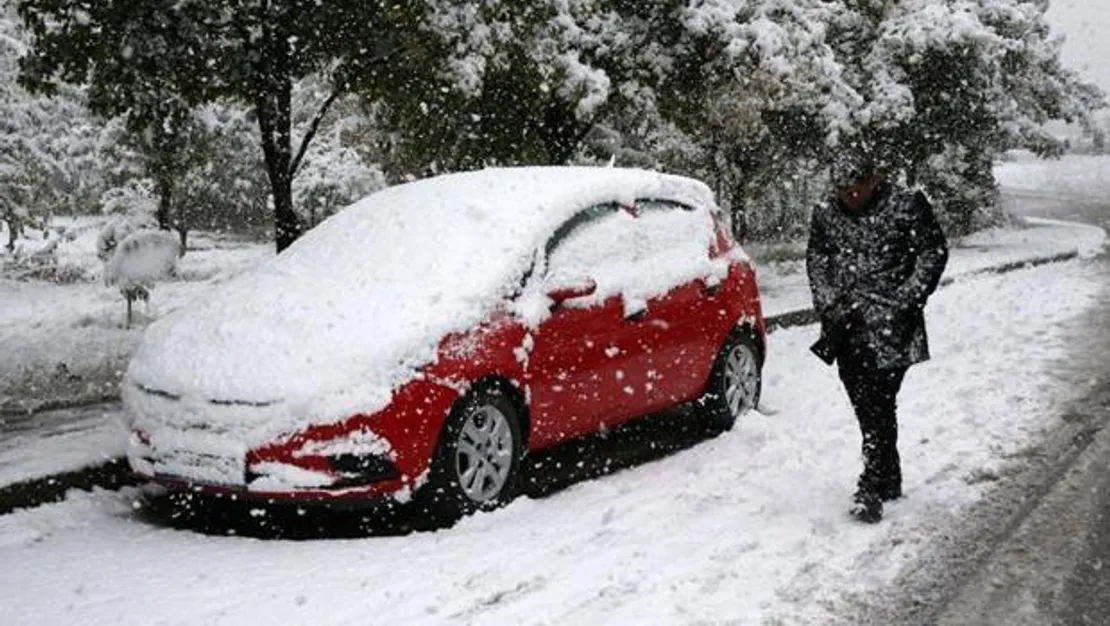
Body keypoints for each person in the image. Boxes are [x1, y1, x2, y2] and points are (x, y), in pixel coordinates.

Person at [806, 156, 949, 523]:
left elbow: (933, 252)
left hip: (892, 326)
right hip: (846, 324)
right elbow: (817, 258)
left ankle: (870, 482)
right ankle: (889, 474)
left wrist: (905, 300)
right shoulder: (825, 213)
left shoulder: (906, 205)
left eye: (856, 188)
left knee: (878, 399)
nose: (849, 197)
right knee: (865, 399)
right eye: (842, 190)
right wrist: (827, 301)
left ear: (875, 180)